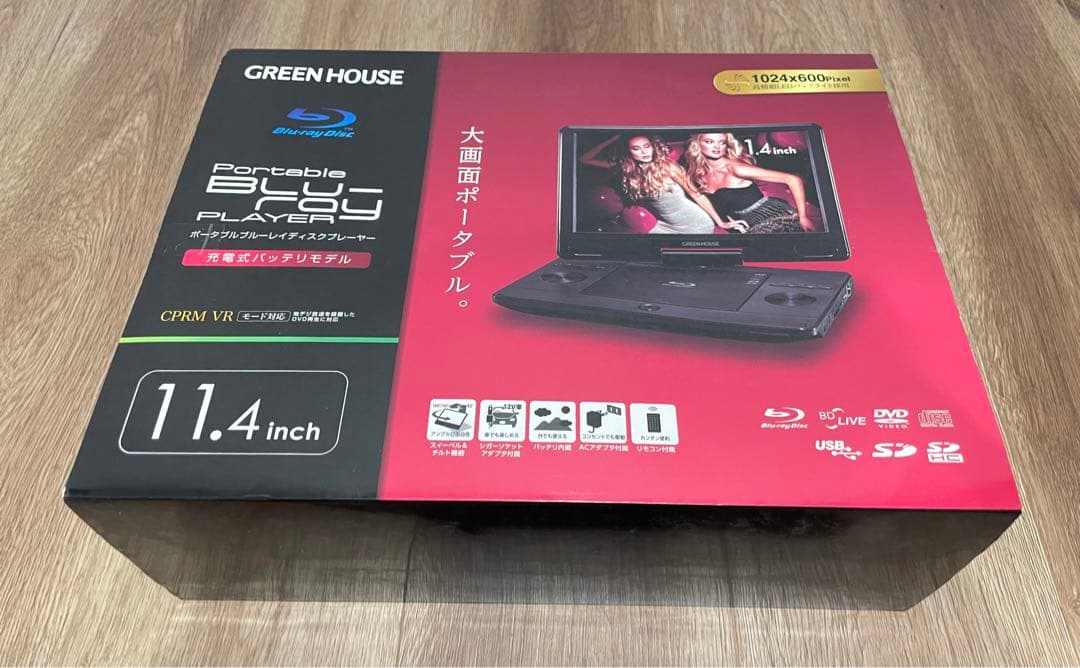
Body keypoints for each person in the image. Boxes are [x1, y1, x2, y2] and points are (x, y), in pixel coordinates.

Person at [579, 134, 746, 234]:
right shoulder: (625, 169)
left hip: (694, 223)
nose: (644, 152)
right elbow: (584, 159)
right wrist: (614, 137)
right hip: (665, 225)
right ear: (628, 151)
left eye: (647, 146)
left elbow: (696, 194)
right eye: (636, 148)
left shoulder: (668, 167)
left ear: (653, 147)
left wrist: (720, 222)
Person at [683, 132, 815, 233]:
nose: (717, 146)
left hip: (773, 216)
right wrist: (721, 222)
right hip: (747, 224)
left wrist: (803, 217)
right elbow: (697, 195)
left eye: (722, 142)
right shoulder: (699, 173)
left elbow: (793, 179)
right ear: (698, 144)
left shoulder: (736, 169)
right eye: (709, 142)